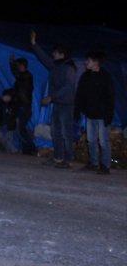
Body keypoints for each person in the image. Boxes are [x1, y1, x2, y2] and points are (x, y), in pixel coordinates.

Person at [30, 31, 77, 168]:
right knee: (55, 131)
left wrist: (51, 97)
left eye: (55, 53)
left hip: (66, 104)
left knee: (65, 132)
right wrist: (34, 44)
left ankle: (68, 160)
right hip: (57, 103)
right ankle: (58, 157)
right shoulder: (57, 65)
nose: (53, 54)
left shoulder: (69, 68)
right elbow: (44, 58)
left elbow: (68, 87)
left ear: (62, 54)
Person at [74, 51, 115, 174]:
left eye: (89, 60)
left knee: (103, 141)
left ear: (96, 62)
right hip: (90, 114)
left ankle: (105, 166)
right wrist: (78, 110)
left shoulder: (105, 77)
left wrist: (109, 114)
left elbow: (110, 96)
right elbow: (80, 94)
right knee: (91, 140)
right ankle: (94, 163)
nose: (86, 62)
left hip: (102, 115)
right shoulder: (85, 76)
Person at [9, 55, 36, 155]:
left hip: (24, 105)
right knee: (20, 128)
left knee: (21, 128)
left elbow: (17, 76)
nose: (18, 67)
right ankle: (28, 149)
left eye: (18, 65)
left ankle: (32, 148)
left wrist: (12, 63)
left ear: (22, 65)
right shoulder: (23, 76)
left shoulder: (26, 76)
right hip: (23, 105)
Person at [0, 88, 19, 153]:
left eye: (7, 97)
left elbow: (14, 116)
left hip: (10, 126)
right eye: (4, 96)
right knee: (2, 137)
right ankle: (10, 150)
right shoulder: (2, 103)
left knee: (8, 139)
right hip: (4, 125)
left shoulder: (13, 105)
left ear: (11, 97)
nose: (5, 98)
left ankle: (13, 150)